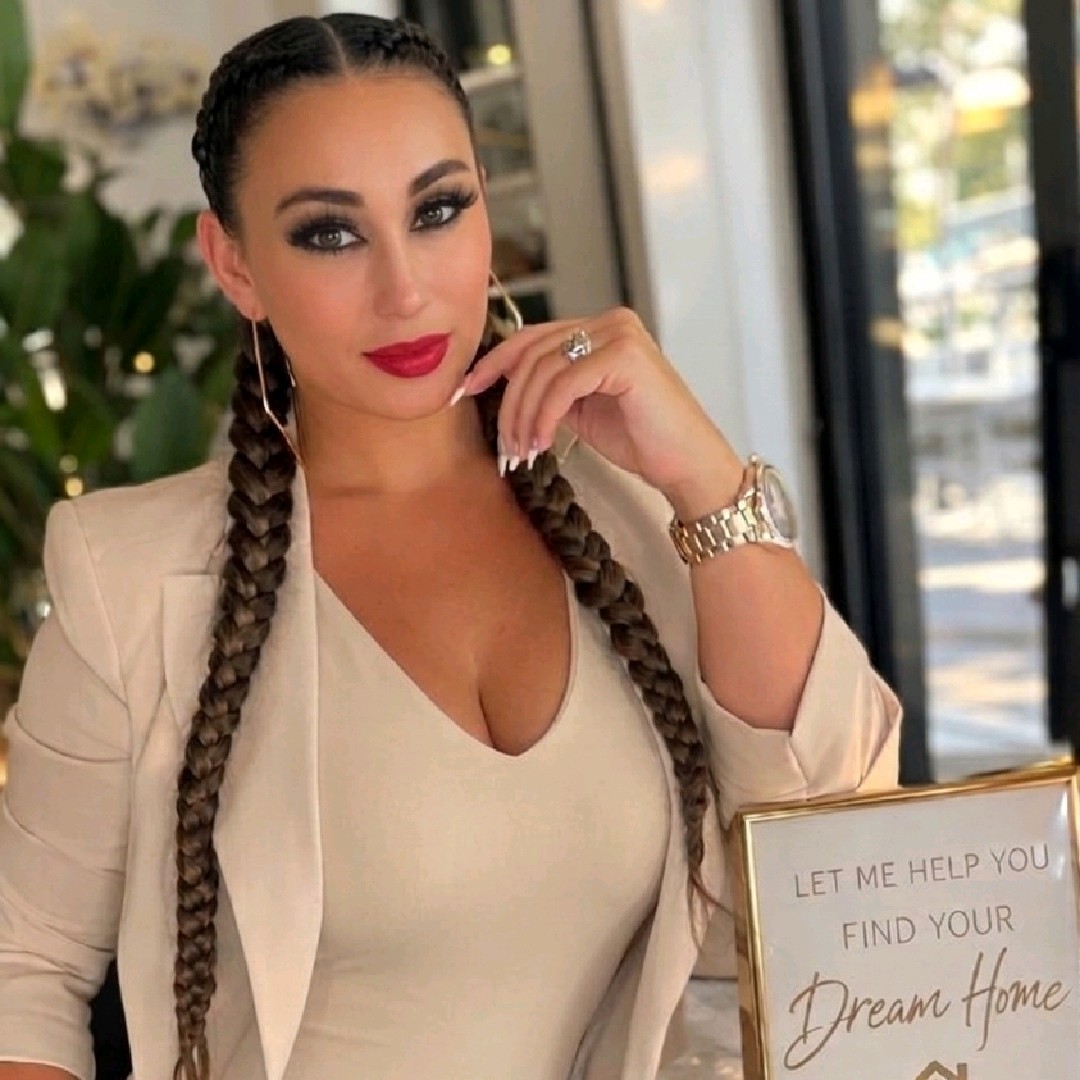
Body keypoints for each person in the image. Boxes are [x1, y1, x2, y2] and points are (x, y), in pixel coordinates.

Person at [0, 13, 901, 1080]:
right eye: (328, 234)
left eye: (436, 210)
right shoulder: (133, 576)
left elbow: (840, 848)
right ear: (234, 265)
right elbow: (24, 968)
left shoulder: (632, 520)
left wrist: (703, 476)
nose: (406, 289)